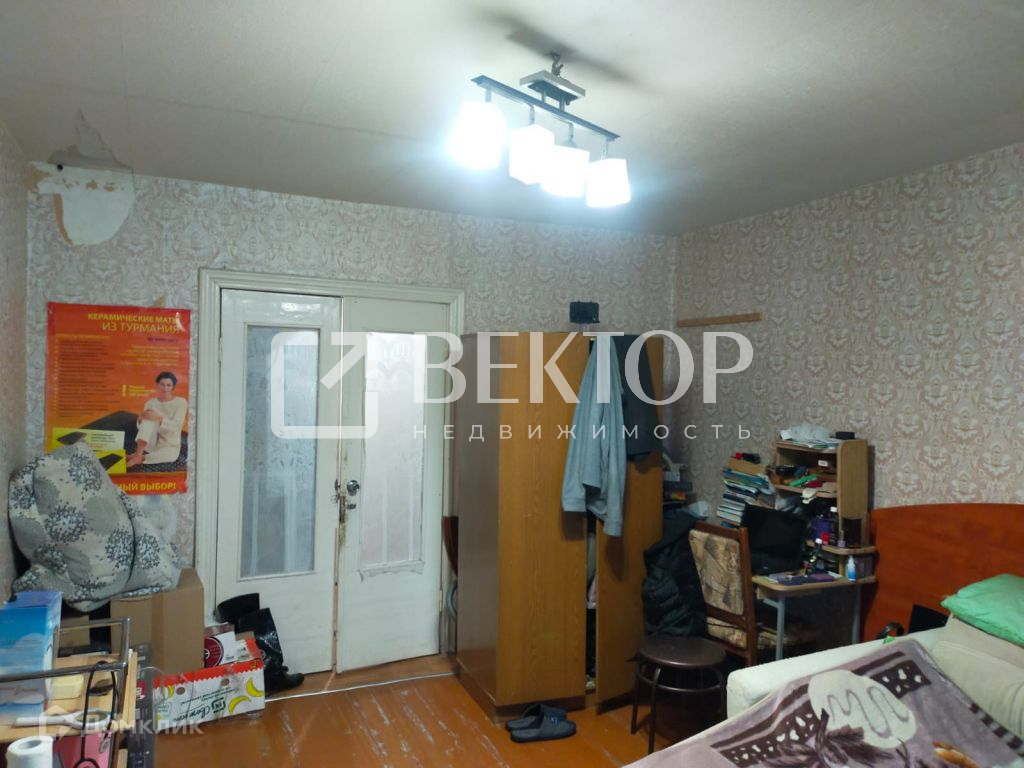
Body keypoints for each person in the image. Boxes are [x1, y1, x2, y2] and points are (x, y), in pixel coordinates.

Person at [126, 371, 187, 468]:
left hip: (169, 444)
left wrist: (159, 418)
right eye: (162, 384)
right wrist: (140, 420)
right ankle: (138, 454)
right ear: (158, 385)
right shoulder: (151, 402)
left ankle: (139, 457)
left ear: (173, 387)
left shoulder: (181, 402)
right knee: (148, 418)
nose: (165, 388)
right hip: (151, 443)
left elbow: (177, 426)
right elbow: (142, 427)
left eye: (168, 385)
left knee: (171, 456)